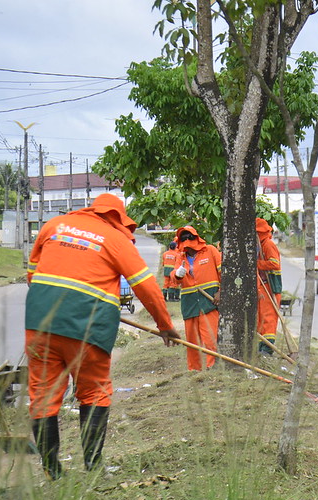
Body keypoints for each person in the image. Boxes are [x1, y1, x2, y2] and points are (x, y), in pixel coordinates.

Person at [25, 193, 179, 479]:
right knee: (94, 393)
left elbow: (32, 275)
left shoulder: (54, 225)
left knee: (43, 395)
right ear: (118, 218)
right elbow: (145, 286)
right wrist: (164, 324)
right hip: (87, 327)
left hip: (39, 324)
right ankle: (93, 467)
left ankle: (52, 470)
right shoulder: (115, 239)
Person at [172, 226, 222, 371]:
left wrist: (221, 291)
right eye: (183, 238)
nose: (187, 240)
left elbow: (223, 272)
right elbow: (174, 279)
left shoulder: (210, 251)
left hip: (208, 303)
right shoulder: (180, 257)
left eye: (190, 237)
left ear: (196, 238)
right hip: (190, 304)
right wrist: (178, 275)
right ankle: (194, 371)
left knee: (210, 339)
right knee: (192, 341)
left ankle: (211, 367)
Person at [255, 218, 282, 355]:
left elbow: (274, 264)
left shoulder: (268, 245)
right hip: (262, 286)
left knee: (269, 317)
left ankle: (267, 348)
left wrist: (257, 264)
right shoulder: (260, 245)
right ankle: (261, 346)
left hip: (270, 287)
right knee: (260, 317)